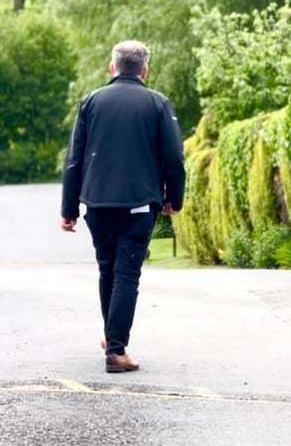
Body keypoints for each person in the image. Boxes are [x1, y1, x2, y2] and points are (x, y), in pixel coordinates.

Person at [61, 40, 185, 373]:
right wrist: (175, 197)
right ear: (145, 70)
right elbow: (173, 156)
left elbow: (74, 159)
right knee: (127, 274)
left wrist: (69, 208)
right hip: (138, 204)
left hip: (97, 204)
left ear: (111, 67)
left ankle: (111, 333)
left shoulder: (91, 102)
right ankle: (116, 350)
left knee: (108, 269)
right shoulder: (158, 104)